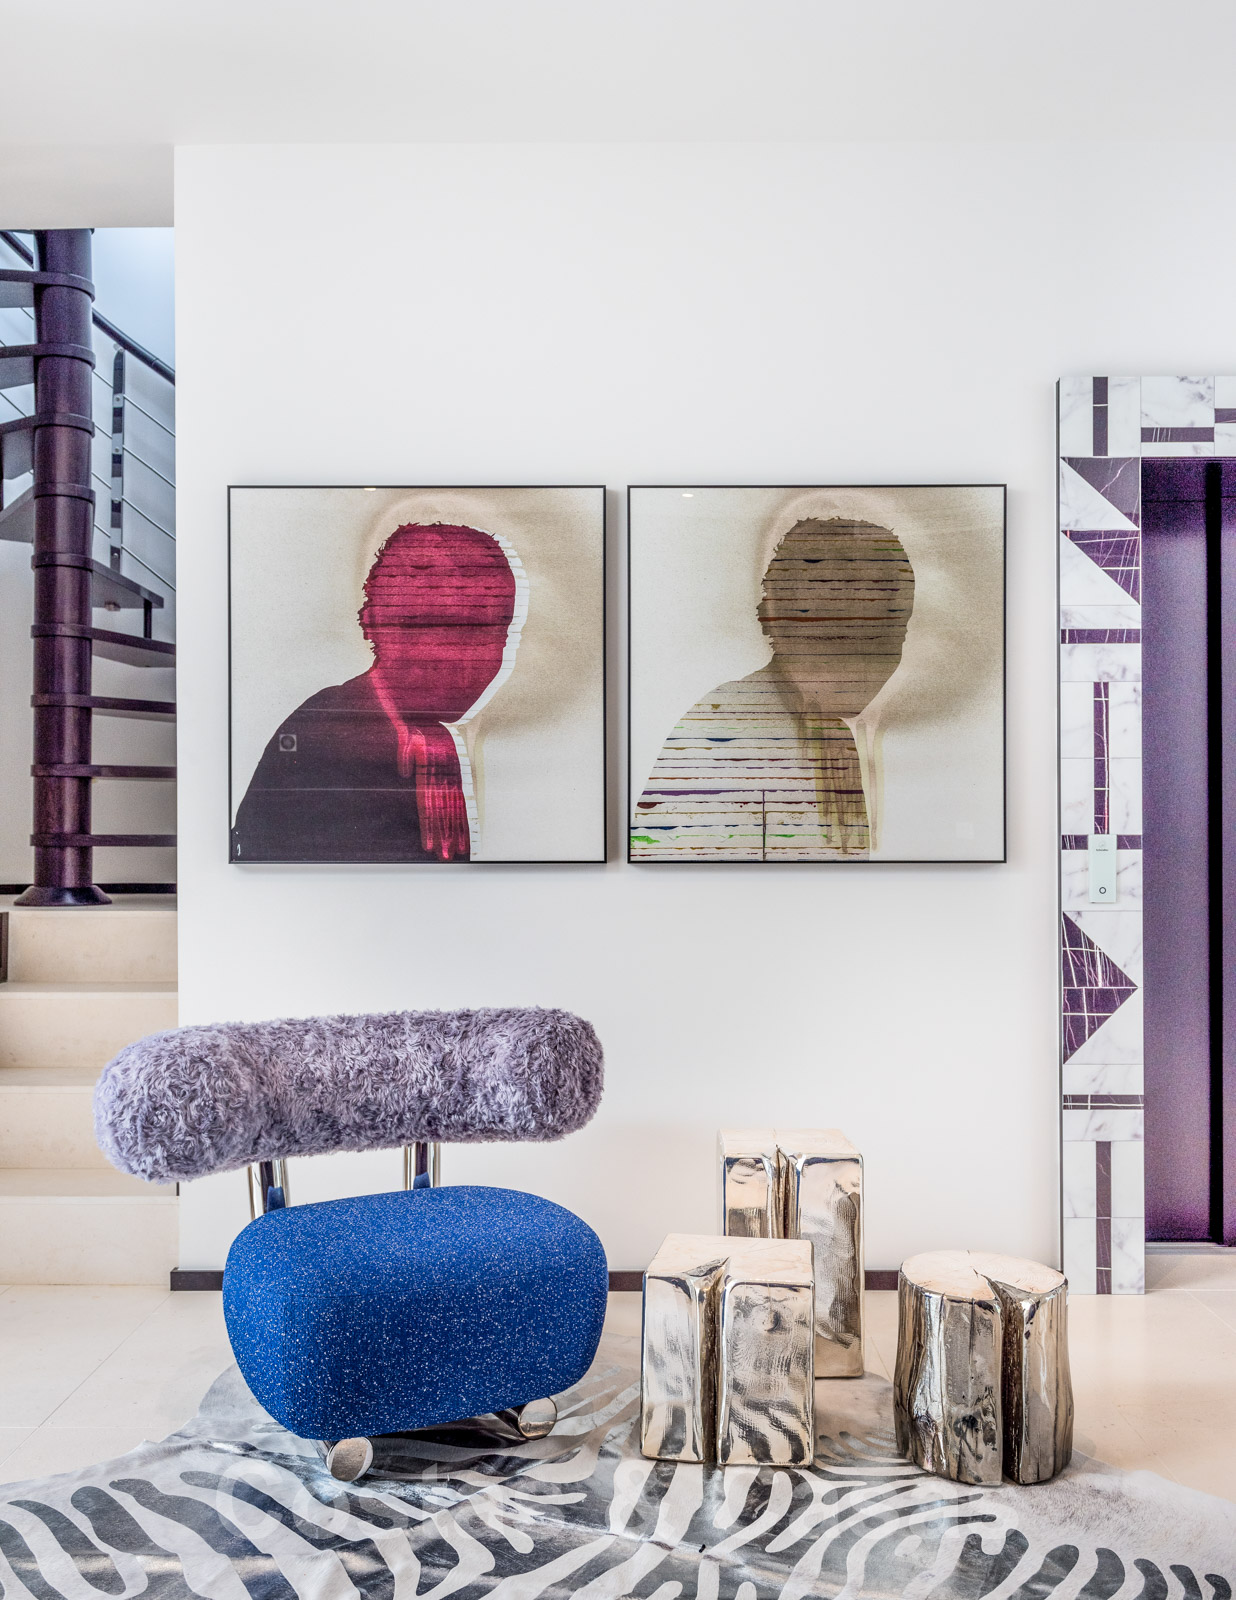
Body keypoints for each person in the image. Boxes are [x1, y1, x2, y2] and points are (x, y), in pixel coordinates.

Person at [233, 522, 521, 863]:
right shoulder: (324, 727)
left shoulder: (430, 744)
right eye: (453, 631)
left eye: (497, 632)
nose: (475, 659)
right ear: (382, 625)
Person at [631, 515, 914, 860]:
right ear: (774, 620)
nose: (865, 662)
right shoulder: (723, 726)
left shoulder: (861, 733)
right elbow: (662, 859)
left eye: (886, 634)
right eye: (834, 634)